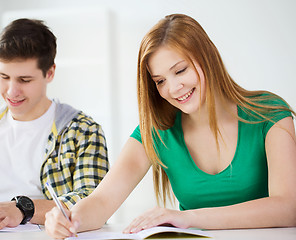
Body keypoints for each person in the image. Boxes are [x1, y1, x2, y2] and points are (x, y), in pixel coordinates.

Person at [44, 13, 296, 239]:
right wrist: (69, 218)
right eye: (160, 81)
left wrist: (189, 218)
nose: (173, 89)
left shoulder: (268, 112)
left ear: (207, 57)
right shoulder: (156, 130)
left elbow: (288, 208)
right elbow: (102, 201)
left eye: (181, 70)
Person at [0, 18, 109, 233]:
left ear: (50, 73)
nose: (11, 91)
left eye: (24, 80)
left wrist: (22, 209)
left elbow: (93, 203)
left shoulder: (83, 131)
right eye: (4, 77)